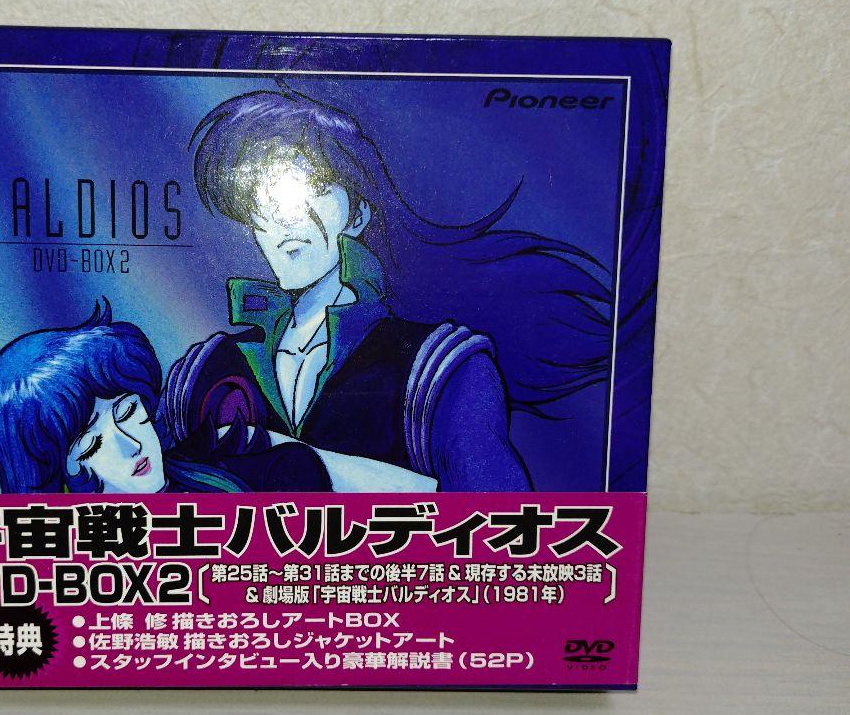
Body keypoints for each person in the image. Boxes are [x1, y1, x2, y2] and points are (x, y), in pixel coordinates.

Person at [165, 87, 610, 490]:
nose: (281, 218)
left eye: (316, 186)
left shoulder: (439, 369)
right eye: (255, 200)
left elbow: (500, 529)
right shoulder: (203, 374)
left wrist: (305, 462)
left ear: (357, 215)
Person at [0, 300, 331, 493]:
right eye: (91, 444)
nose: (132, 444)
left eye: (127, 411)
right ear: (57, 469)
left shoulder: (237, 468)